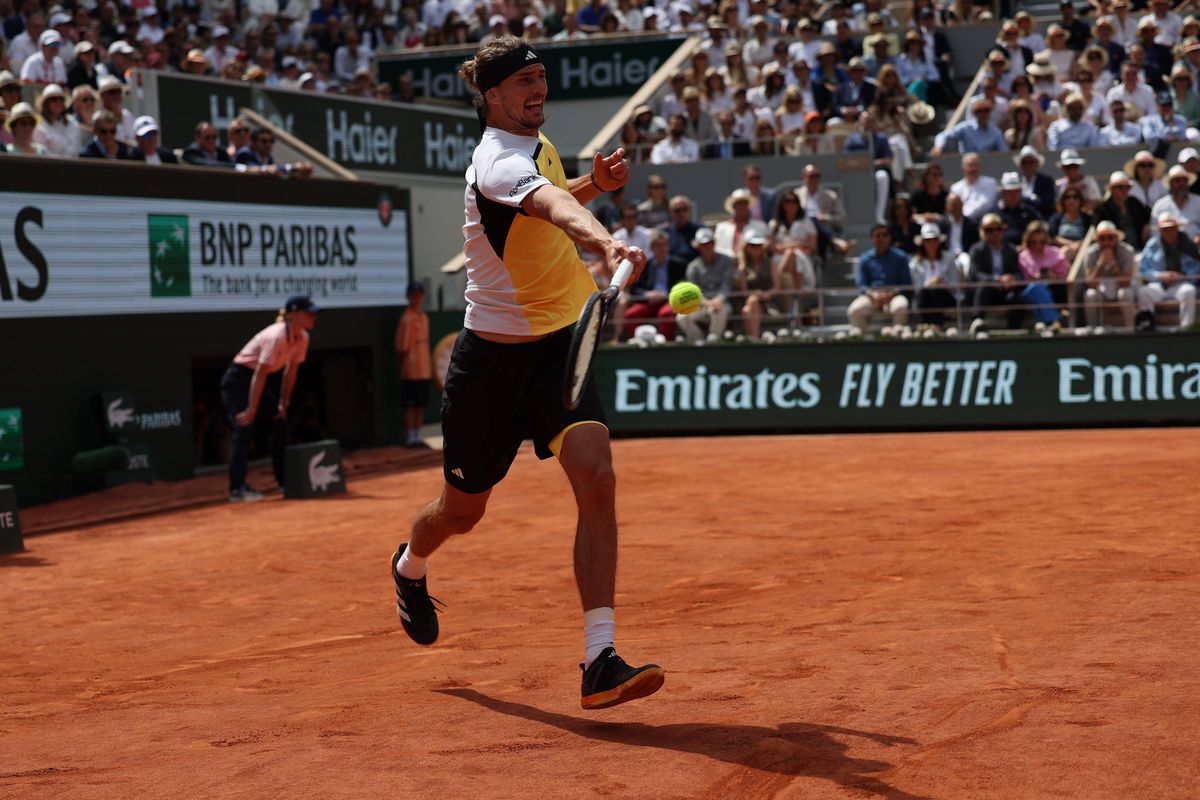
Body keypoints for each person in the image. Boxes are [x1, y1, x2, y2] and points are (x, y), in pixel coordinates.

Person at [391, 37, 662, 711]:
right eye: (524, 83)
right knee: (462, 513)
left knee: (597, 477)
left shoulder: (533, 149)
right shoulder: (493, 159)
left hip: (557, 348)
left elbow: (543, 204)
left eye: (542, 79)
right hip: (492, 366)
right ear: (492, 96)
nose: (538, 90)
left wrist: (592, 186)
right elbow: (550, 211)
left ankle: (600, 659)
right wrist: (604, 237)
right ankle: (409, 566)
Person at [220, 294, 318, 503]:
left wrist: (284, 403)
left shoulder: (303, 338)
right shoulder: (276, 336)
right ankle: (237, 489)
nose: (313, 317)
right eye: (308, 313)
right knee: (244, 427)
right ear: (293, 314)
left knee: (279, 425)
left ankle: (285, 483)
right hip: (239, 380)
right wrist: (252, 410)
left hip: (256, 380)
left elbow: (290, 372)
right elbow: (260, 374)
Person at [1136, 212, 1199, 328]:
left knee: (1189, 291)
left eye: (1172, 228)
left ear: (1177, 228)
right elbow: (1143, 271)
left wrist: (1181, 276)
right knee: (1144, 292)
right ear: (1160, 230)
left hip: (1181, 283)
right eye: (1165, 229)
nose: (1169, 232)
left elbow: (1196, 268)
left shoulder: (1188, 244)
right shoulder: (1152, 245)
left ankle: (1187, 328)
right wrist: (1160, 275)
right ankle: (1147, 327)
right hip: (1159, 284)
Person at [967, 213, 1025, 334]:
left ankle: (1013, 331)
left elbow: (1020, 275)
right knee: (984, 285)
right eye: (990, 230)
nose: (994, 233)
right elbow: (975, 274)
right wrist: (997, 279)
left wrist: (1012, 278)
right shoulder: (977, 249)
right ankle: (977, 321)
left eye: (998, 229)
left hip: (1005, 292)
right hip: (986, 292)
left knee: (1017, 298)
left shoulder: (1010, 250)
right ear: (983, 231)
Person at [847, 225, 911, 332]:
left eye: (884, 235)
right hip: (871, 296)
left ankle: (898, 341)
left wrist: (891, 294)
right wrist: (873, 295)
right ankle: (862, 342)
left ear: (890, 238)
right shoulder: (864, 259)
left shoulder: (901, 257)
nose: (881, 238)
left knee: (901, 307)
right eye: (877, 235)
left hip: (894, 295)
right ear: (872, 239)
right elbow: (861, 285)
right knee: (854, 310)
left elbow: (906, 283)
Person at [395, 282, 433, 449]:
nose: (418, 298)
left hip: (424, 369)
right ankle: (410, 438)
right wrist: (404, 366)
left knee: (420, 403)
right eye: (414, 295)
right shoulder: (407, 318)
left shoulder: (424, 317)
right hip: (411, 370)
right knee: (410, 405)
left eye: (420, 295)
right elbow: (402, 347)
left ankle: (418, 436)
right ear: (409, 297)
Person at [1079, 221, 1137, 328]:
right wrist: (1100, 265)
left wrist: (1113, 266)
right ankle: (1092, 329)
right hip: (1101, 288)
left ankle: (1130, 329)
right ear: (1097, 240)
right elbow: (1091, 284)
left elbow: (1126, 283)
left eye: (1110, 238)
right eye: (1102, 238)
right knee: (1090, 295)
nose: (1106, 242)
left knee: (1125, 293)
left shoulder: (1127, 251)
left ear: (1116, 238)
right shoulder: (1090, 253)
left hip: (1121, 287)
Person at [623, 231, 676, 340]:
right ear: (652, 248)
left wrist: (665, 294)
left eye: (664, 245)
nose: (662, 249)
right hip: (648, 302)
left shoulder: (678, 265)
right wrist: (647, 294)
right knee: (631, 314)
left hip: (668, 300)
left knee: (666, 313)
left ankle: (667, 345)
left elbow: (682, 284)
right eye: (658, 245)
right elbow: (635, 288)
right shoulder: (644, 266)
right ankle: (635, 344)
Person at [1018, 220, 1070, 328]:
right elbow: (1024, 280)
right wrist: (1037, 278)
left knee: (1034, 290)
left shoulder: (1056, 253)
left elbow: (1066, 277)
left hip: (1056, 289)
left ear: (1046, 240)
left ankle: (1046, 322)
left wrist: (1053, 276)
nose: (1038, 245)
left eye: (1042, 242)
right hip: (1034, 289)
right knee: (1033, 289)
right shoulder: (1023, 256)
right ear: (1028, 241)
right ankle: (1054, 320)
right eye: (1034, 242)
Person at [910, 222, 960, 328]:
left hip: (946, 297)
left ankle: (936, 325)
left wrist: (943, 283)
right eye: (928, 241)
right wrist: (929, 284)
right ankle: (926, 325)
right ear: (923, 243)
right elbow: (916, 288)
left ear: (938, 241)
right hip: (924, 298)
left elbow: (956, 283)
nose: (931, 243)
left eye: (934, 240)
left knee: (937, 291)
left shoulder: (949, 259)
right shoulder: (915, 263)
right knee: (926, 292)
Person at [1094, 171, 1152, 249]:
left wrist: (1147, 225)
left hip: (1140, 247)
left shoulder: (1135, 202)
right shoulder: (1103, 209)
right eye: (1120, 187)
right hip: (1116, 251)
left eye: (1127, 187)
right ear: (1112, 189)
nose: (1124, 190)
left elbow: (1148, 215)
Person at [931, 97, 1006, 156]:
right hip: (966, 165)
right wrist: (938, 147)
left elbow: (1004, 152)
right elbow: (942, 135)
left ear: (990, 113)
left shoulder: (995, 132)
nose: (983, 114)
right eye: (979, 111)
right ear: (975, 113)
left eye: (986, 111)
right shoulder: (965, 127)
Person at [1151, 165, 1200, 240]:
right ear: (1170, 184)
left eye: (1184, 180)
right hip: (1167, 248)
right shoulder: (1160, 205)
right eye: (1177, 180)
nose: (1182, 183)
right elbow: (1154, 232)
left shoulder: (1198, 201)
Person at [1048, 188, 1093, 265]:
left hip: (1082, 249)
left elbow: (1090, 236)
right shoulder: (1056, 218)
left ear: (1080, 200)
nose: (1071, 200)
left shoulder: (1088, 218)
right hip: (1061, 249)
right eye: (1067, 197)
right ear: (1063, 201)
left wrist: (1078, 245)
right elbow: (1053, 237)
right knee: (1066, 252)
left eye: (1075, 197)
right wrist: (1070, 245)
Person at [32, 83, 78, 157]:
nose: (58, 102)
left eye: (61, 99)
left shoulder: (72, 122)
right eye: (54, 99)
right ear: (46, 103)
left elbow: (77, 148)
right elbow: (42, 154)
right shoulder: (39, 127)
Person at [950, 152, 999, 221]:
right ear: (963, 168)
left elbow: (986, 204)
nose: (974, 169)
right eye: (970, 165)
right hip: (962, 224)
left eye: (976, 165)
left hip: (983, 221)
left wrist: (965, 215)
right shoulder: (955, 188)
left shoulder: (990, 183)